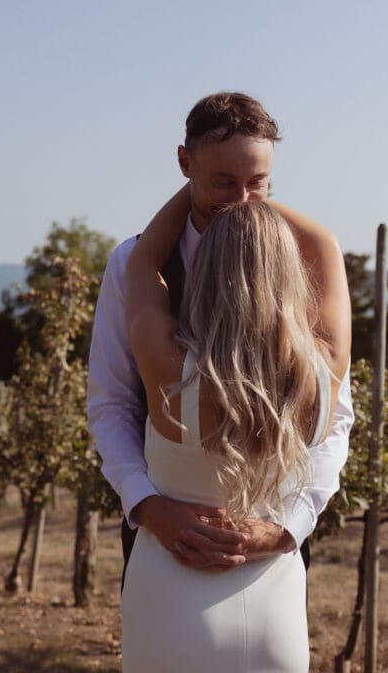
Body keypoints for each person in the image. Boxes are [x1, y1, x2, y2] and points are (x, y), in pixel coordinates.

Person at [119, 188, 350, 673]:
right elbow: (327, 247)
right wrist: (266, 200)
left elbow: (143, 262)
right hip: (271, 598)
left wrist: (201, 189)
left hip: (169, 598)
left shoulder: (166, 364)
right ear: (287, 276)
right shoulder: (320, 372)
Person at [87, 91, 354, 573]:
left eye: (258, 183)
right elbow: (111, 403)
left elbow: (336, 416)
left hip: (276, 540)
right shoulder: (132, 263)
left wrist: (289, 526)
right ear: (184, 163)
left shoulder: (301, 265)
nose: (242, 203)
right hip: (163, 535)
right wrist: (147, 505)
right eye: (224, 182)